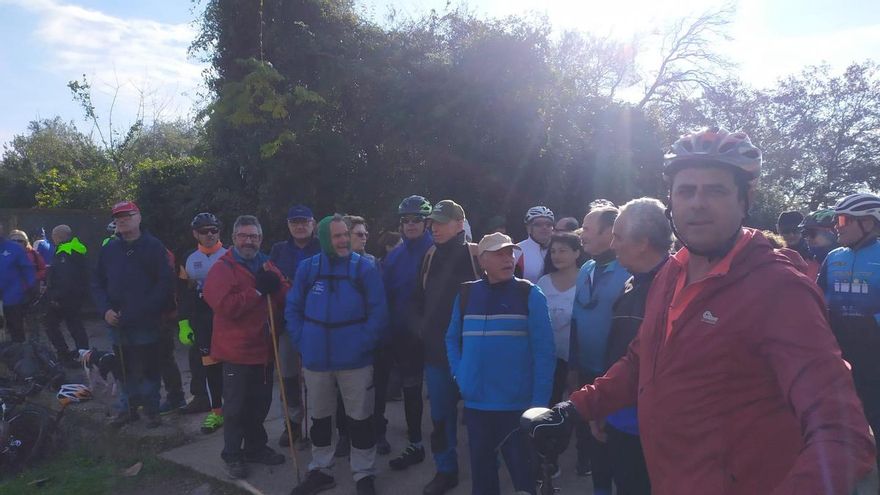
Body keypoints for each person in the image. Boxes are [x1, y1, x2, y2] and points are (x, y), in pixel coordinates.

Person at [530, 128, 875, 495]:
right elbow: (642, 358)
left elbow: (843, 434)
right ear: (671, 202)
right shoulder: (671, 272)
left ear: (746, 200)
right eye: (686, 190)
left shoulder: (779, 288)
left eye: (716, 190)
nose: (697, 203)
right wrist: (574, 409)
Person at [446, 232, 555, 495]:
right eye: (499, 254)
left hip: (515, 406)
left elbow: (545, 353)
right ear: (482, 261)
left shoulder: (530, 294)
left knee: (524, 477)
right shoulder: (466, 293)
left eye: (510, 253)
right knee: (482, 478)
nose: (508, 259)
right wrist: (461, 375)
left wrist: (539, 404)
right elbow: (451, 339)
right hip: (476, 405)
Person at [287, 214, 388, 495]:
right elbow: (292, 308)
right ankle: (321, 470)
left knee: (360, 419)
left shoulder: (364, 269)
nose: (344, 240)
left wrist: (362, 344)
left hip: (355, 360)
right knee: (320, 419)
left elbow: (379, 312)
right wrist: (303, 341)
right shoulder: (307, 269)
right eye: (337, 236)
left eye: (346, 234)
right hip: (316, 359)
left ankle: (364, 474)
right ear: (323, 240)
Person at [203, 215, 289, 479]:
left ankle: (255, 447)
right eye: (243, 235)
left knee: (260, 403)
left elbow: (285, 294)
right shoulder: (223, 267)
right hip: (236, 351)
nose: (248, 241)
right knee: (236, 407)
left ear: (261, 239)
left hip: (263, 348)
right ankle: (232, 454)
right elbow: (225, 306)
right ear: (234, 238)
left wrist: (277, 287)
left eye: (253, 236)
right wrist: (256, 292)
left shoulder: (267, 264)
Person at [602, 197, 671, 495]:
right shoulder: (631, 282)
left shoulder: (679, 287)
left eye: (617, 237)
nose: (612, 245)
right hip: (621, 420)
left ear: (643, 242)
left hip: (658, 431)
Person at [416, 199, 482, 495]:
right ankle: (446, 470)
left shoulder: (477, 255)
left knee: (482, 416)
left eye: (441, 222)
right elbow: (420, 299)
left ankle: (485, 468)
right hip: (437, 353)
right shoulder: (429, 255)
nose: (435, 228)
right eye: (432, 223)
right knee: (441, 417)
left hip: (475, 353)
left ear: (460, 224)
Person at [92, 201, 173, 428]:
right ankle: (127, 409)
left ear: (138, 217)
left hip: (146, 321)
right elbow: (97, 283)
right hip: (116, 322)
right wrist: (105, 310)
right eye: (117, 217)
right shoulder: (108, 249)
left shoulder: (154, 247)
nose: (122, 219)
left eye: (127, 215)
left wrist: (144, 309)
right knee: (122, 368)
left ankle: (151, 410)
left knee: (148, 368)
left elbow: (164, 283)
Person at [569, 200, 631, 490]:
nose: (582, 234)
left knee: (616, 448)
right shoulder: (586, 268)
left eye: (589, 229)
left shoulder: (629, 271)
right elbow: (576, 319)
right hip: (586, 372)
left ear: (611, 232)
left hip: (617, 377)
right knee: (594, 449)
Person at [819, 192, 880, 473]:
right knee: (840, 415)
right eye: (836, 220)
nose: (837, 226)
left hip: (874, 353)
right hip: (838, 352)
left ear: (869, 223)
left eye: (843, 220)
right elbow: (817, 300)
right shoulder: (833, 258)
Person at [382, 195, 434, 471]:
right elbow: (385, 295)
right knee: (411, 389)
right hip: (404, 334)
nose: (411, 225)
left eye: (416, 220)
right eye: (406, 220)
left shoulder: (438, 249)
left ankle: (443, 438)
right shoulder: (395, 256)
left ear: (426, 223)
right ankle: (415, 441)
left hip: (435, 334)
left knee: (439, 390)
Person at [269, 205, 320, 447]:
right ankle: (293, 424)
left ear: (313, 223)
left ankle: (321, 423)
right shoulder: (278, 250)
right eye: (294, 221)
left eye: (305, 221)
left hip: (318, 322)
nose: (300, 226)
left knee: (318, 375)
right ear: (288, 225)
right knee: (288, 376)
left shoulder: (323, 247)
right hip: (288, 322)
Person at [177, 213, 228, 433]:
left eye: (213, 230)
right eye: (204, 231)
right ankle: (216, 412)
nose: (209, 234)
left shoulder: (230, 255)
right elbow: (183, 293)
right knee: (210, 367)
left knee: (232, 366)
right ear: (195, 234)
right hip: (202, 321)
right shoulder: (188, 258)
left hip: (227, 318)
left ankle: (235, 408)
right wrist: (183, 323)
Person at [337, 214, 382, 456]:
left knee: (368, 390)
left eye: (365, 234)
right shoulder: (333, 263)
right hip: (340, 339)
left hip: (365, 336)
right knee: (341, 393)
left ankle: (373, 433)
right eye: (359, 234)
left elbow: (379, 302)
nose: (364, 238)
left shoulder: (373, 263)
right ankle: (344, 436)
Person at [536, 232, 582, 406]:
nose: (556, 255)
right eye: (553, 251)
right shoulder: (543, 282)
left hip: (577, 357)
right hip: (549, 356)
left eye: (562, 250)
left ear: (577, 253)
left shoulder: (586, 279)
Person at [44, 225, 90, 367]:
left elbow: (65, 278)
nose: (52, 238)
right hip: (76, 295)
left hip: (65, 297)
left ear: (60, 236)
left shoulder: (65, 252)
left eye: (54, 235)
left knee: (51, 324)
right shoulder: (76, 248)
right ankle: (84, 354)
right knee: (75, 325)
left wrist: (55, 297)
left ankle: (64, 354)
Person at [0, 221, 36, 343]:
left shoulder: (14, 248)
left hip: (12, 299)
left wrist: (27, 290)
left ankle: (19, 358)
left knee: (16, 332)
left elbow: (28, 270)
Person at [515, 206, 554, 283]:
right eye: (538, 224)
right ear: (528, 228)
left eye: (548, 224)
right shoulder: (516, 250)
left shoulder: (559, 249)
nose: (544, 227)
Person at [799, 208, 838, 278]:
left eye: (812, 233)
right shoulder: (806, 264)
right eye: (804, 233)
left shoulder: (848, 261)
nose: (808, 238)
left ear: (831, 233)